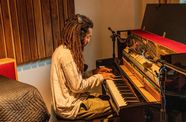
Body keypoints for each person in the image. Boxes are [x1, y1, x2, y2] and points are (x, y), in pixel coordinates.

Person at [50, 14, 115, 120]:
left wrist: (94, 72)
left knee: (109, 98)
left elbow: (74, 79)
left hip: (72, 101)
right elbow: (78, 86)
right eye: (88, 37)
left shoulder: (63, 49)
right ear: (79, 35)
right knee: (117, 106)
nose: (88, 41)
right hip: (70, 108)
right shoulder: (67, 55)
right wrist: (100, 77)